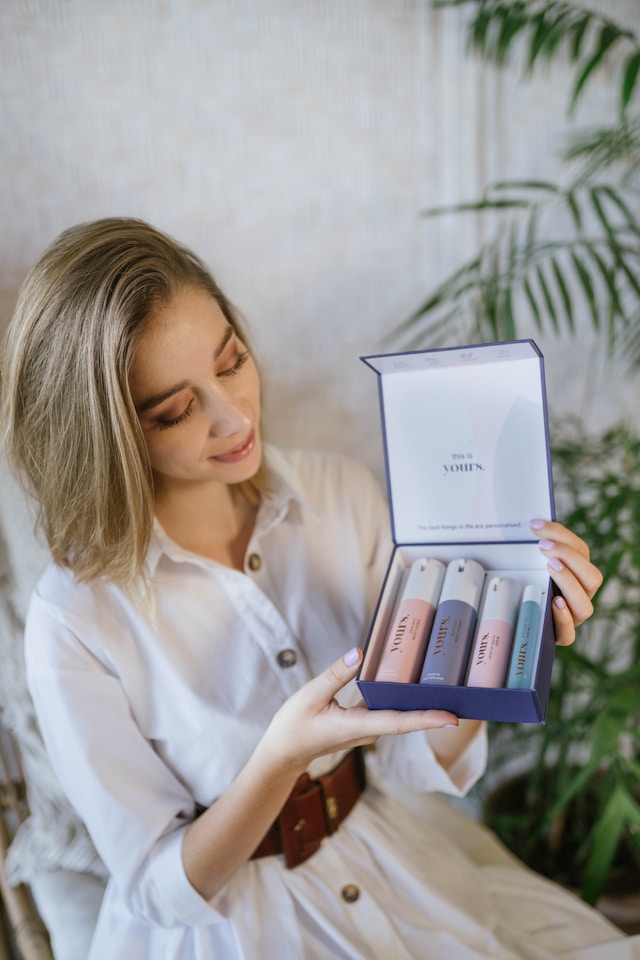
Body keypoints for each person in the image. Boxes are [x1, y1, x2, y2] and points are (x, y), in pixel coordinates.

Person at [1, 218, 633, 960]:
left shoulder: (339, 495)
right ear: (107, 436)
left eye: (232, 361)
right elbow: (156, 888)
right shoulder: (73, 618)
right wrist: (280, 759)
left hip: (385, 860)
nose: (234, 417)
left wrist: (513, 634)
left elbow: (413, 757)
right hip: (226, 930)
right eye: (175, 410)